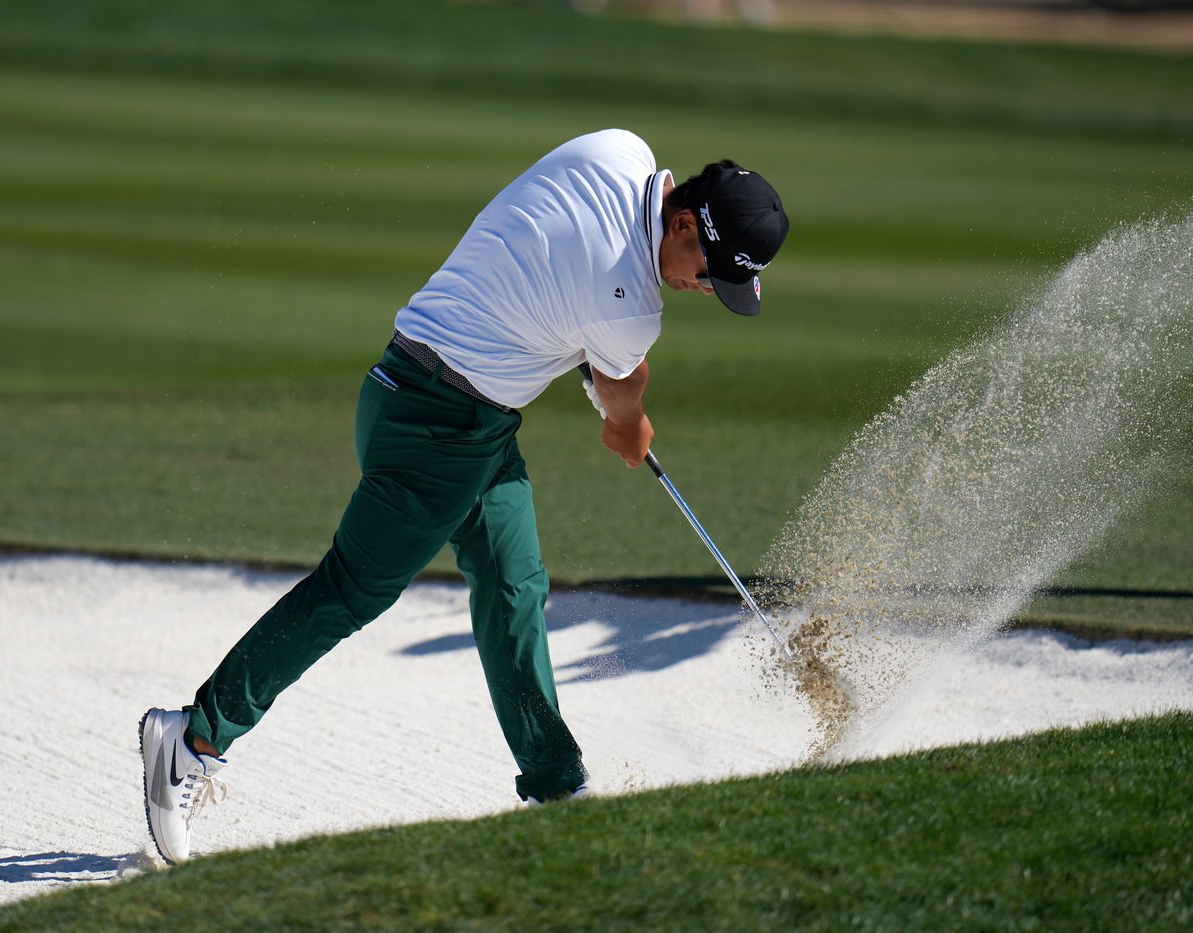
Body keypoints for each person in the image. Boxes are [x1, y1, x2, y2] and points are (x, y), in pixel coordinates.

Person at [139, 128, 789, 863]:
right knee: (351, 591)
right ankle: (193, 738)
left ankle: (556, 787)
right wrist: (633, 429)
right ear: (681, 224)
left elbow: (542, 254)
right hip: (435, 428)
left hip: (443, 402)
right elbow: (621, 406)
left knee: (514, 585)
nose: (704, 289)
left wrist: (593, 360)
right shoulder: (630, 306)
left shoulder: (618, 149)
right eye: (710, 275)